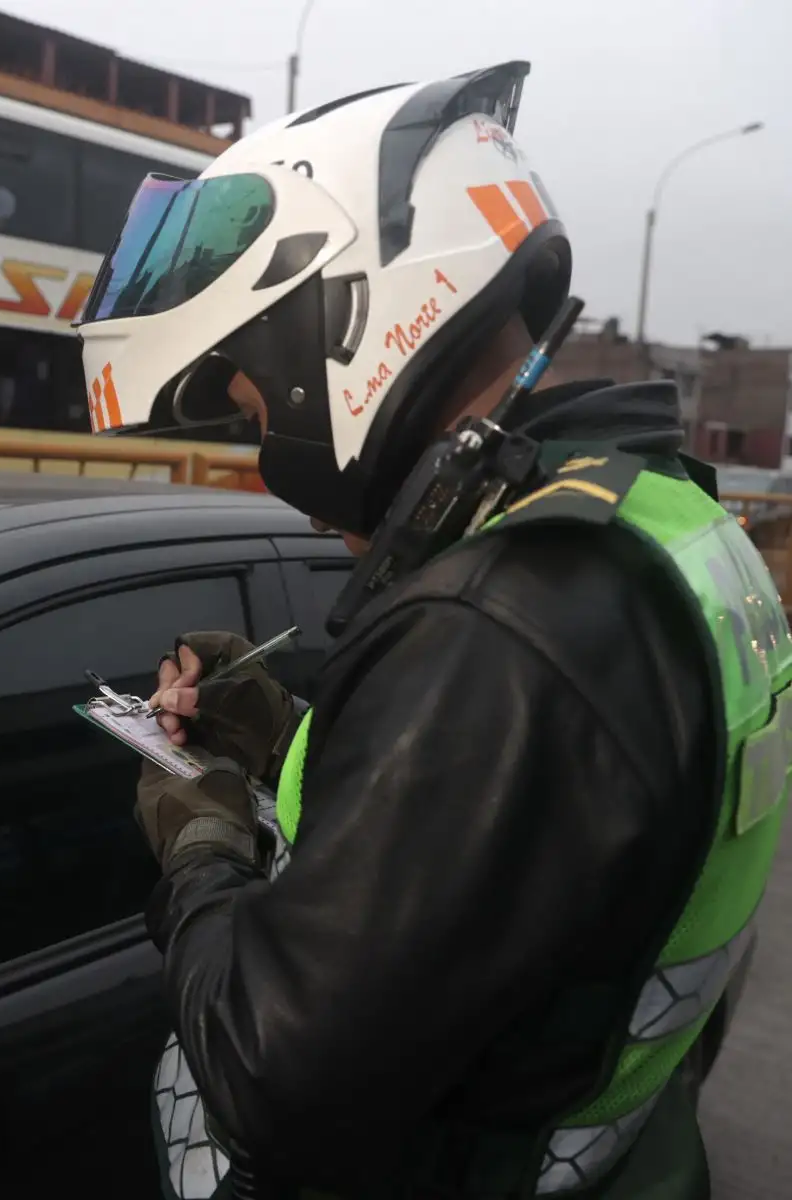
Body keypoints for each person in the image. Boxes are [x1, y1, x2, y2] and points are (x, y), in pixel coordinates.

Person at [75, 61, 784, 1199]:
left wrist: (200, 834)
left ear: (346, 331)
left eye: (256, 409)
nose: (271, 470)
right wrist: (287, 735)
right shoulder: (656, 515)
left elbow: (271, 1083)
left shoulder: (501, 626)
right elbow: (525, 828)